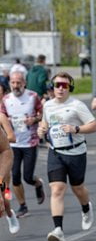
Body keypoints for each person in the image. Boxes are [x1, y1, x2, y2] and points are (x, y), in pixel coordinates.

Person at [37, 72, 96, 241]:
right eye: (58, 85)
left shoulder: (77, 105)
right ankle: (58, 230)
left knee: (78, 188)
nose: (61, 89)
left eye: (64, 85)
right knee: (56, 189)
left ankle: (86, 208)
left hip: (76, 151)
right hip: (56, 152)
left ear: (69, 87)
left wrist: (76, 129)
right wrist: (41, 130)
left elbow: (93, 126)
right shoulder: (47, 106)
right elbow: (44, 124)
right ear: (53, 87)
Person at [1, 72, 45, 218]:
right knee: (16, 176)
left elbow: (41, 113)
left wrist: (34, 119)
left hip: (30, 142)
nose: (15, 85)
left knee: (27, 177)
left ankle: (37, 183)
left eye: (18, 82)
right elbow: (2, 117)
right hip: (12, 144)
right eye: (13, 83)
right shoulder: (6, 99)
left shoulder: (33, 96)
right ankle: (23, 205)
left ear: (24, 83)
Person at [0, 125, 20, 234]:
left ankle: (10, 214)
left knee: (5, 198)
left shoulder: (1, 116)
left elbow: (11, 139)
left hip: (0, 169)